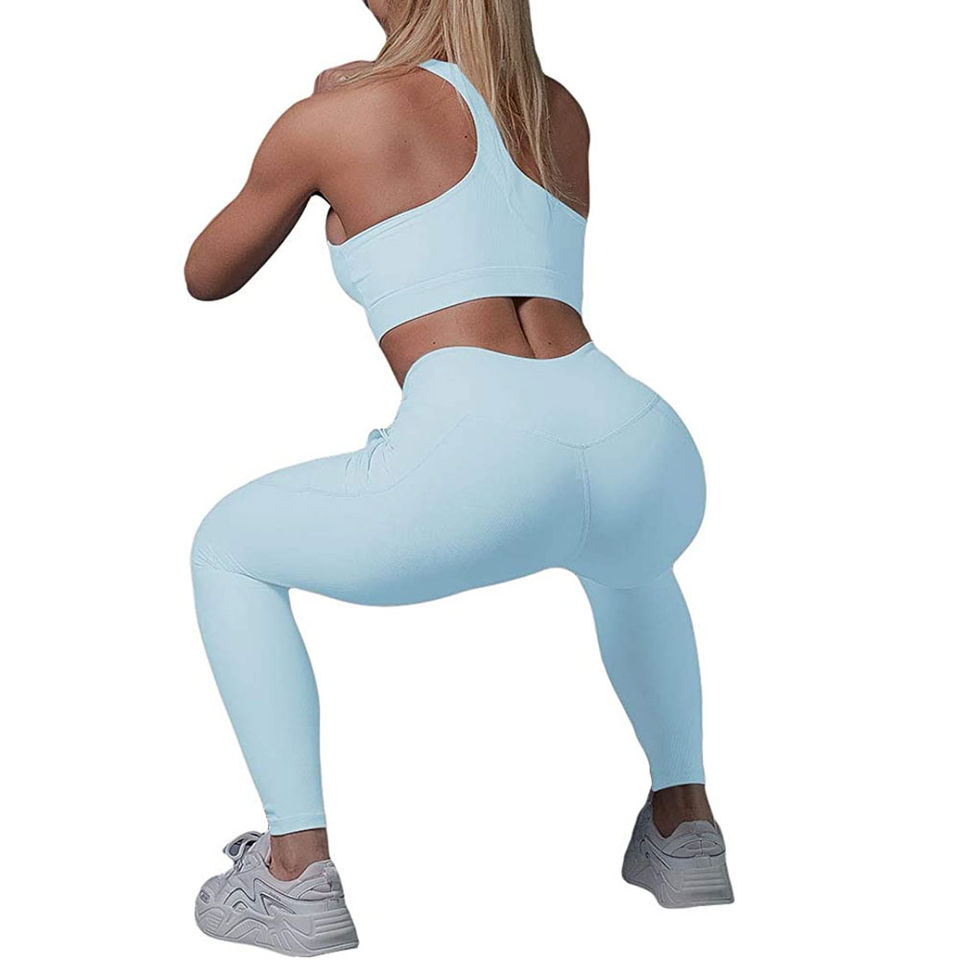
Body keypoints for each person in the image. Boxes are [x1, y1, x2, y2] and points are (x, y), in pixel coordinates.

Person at [186, 1, 733, 953]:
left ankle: (292, 873)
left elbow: (207, 273)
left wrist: (312, 141)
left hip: (485, 447)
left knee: (227, 546)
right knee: (630, 564)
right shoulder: (556, 108)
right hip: (640, 440)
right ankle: (686, 826)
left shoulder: (334, 117)